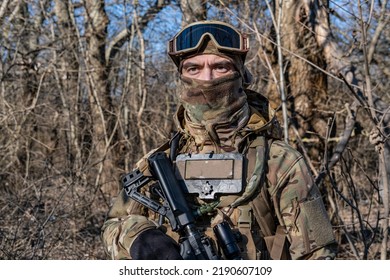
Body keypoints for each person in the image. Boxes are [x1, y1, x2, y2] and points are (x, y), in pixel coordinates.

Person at [101, 20, 338, 260]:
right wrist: (140, 239)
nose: (207, 79)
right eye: (194, 69)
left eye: (220, 67)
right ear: (181, 78)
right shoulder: (158, 162)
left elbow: (318, 255)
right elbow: (113, 225)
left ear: (241, 76)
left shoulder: (280, 161)